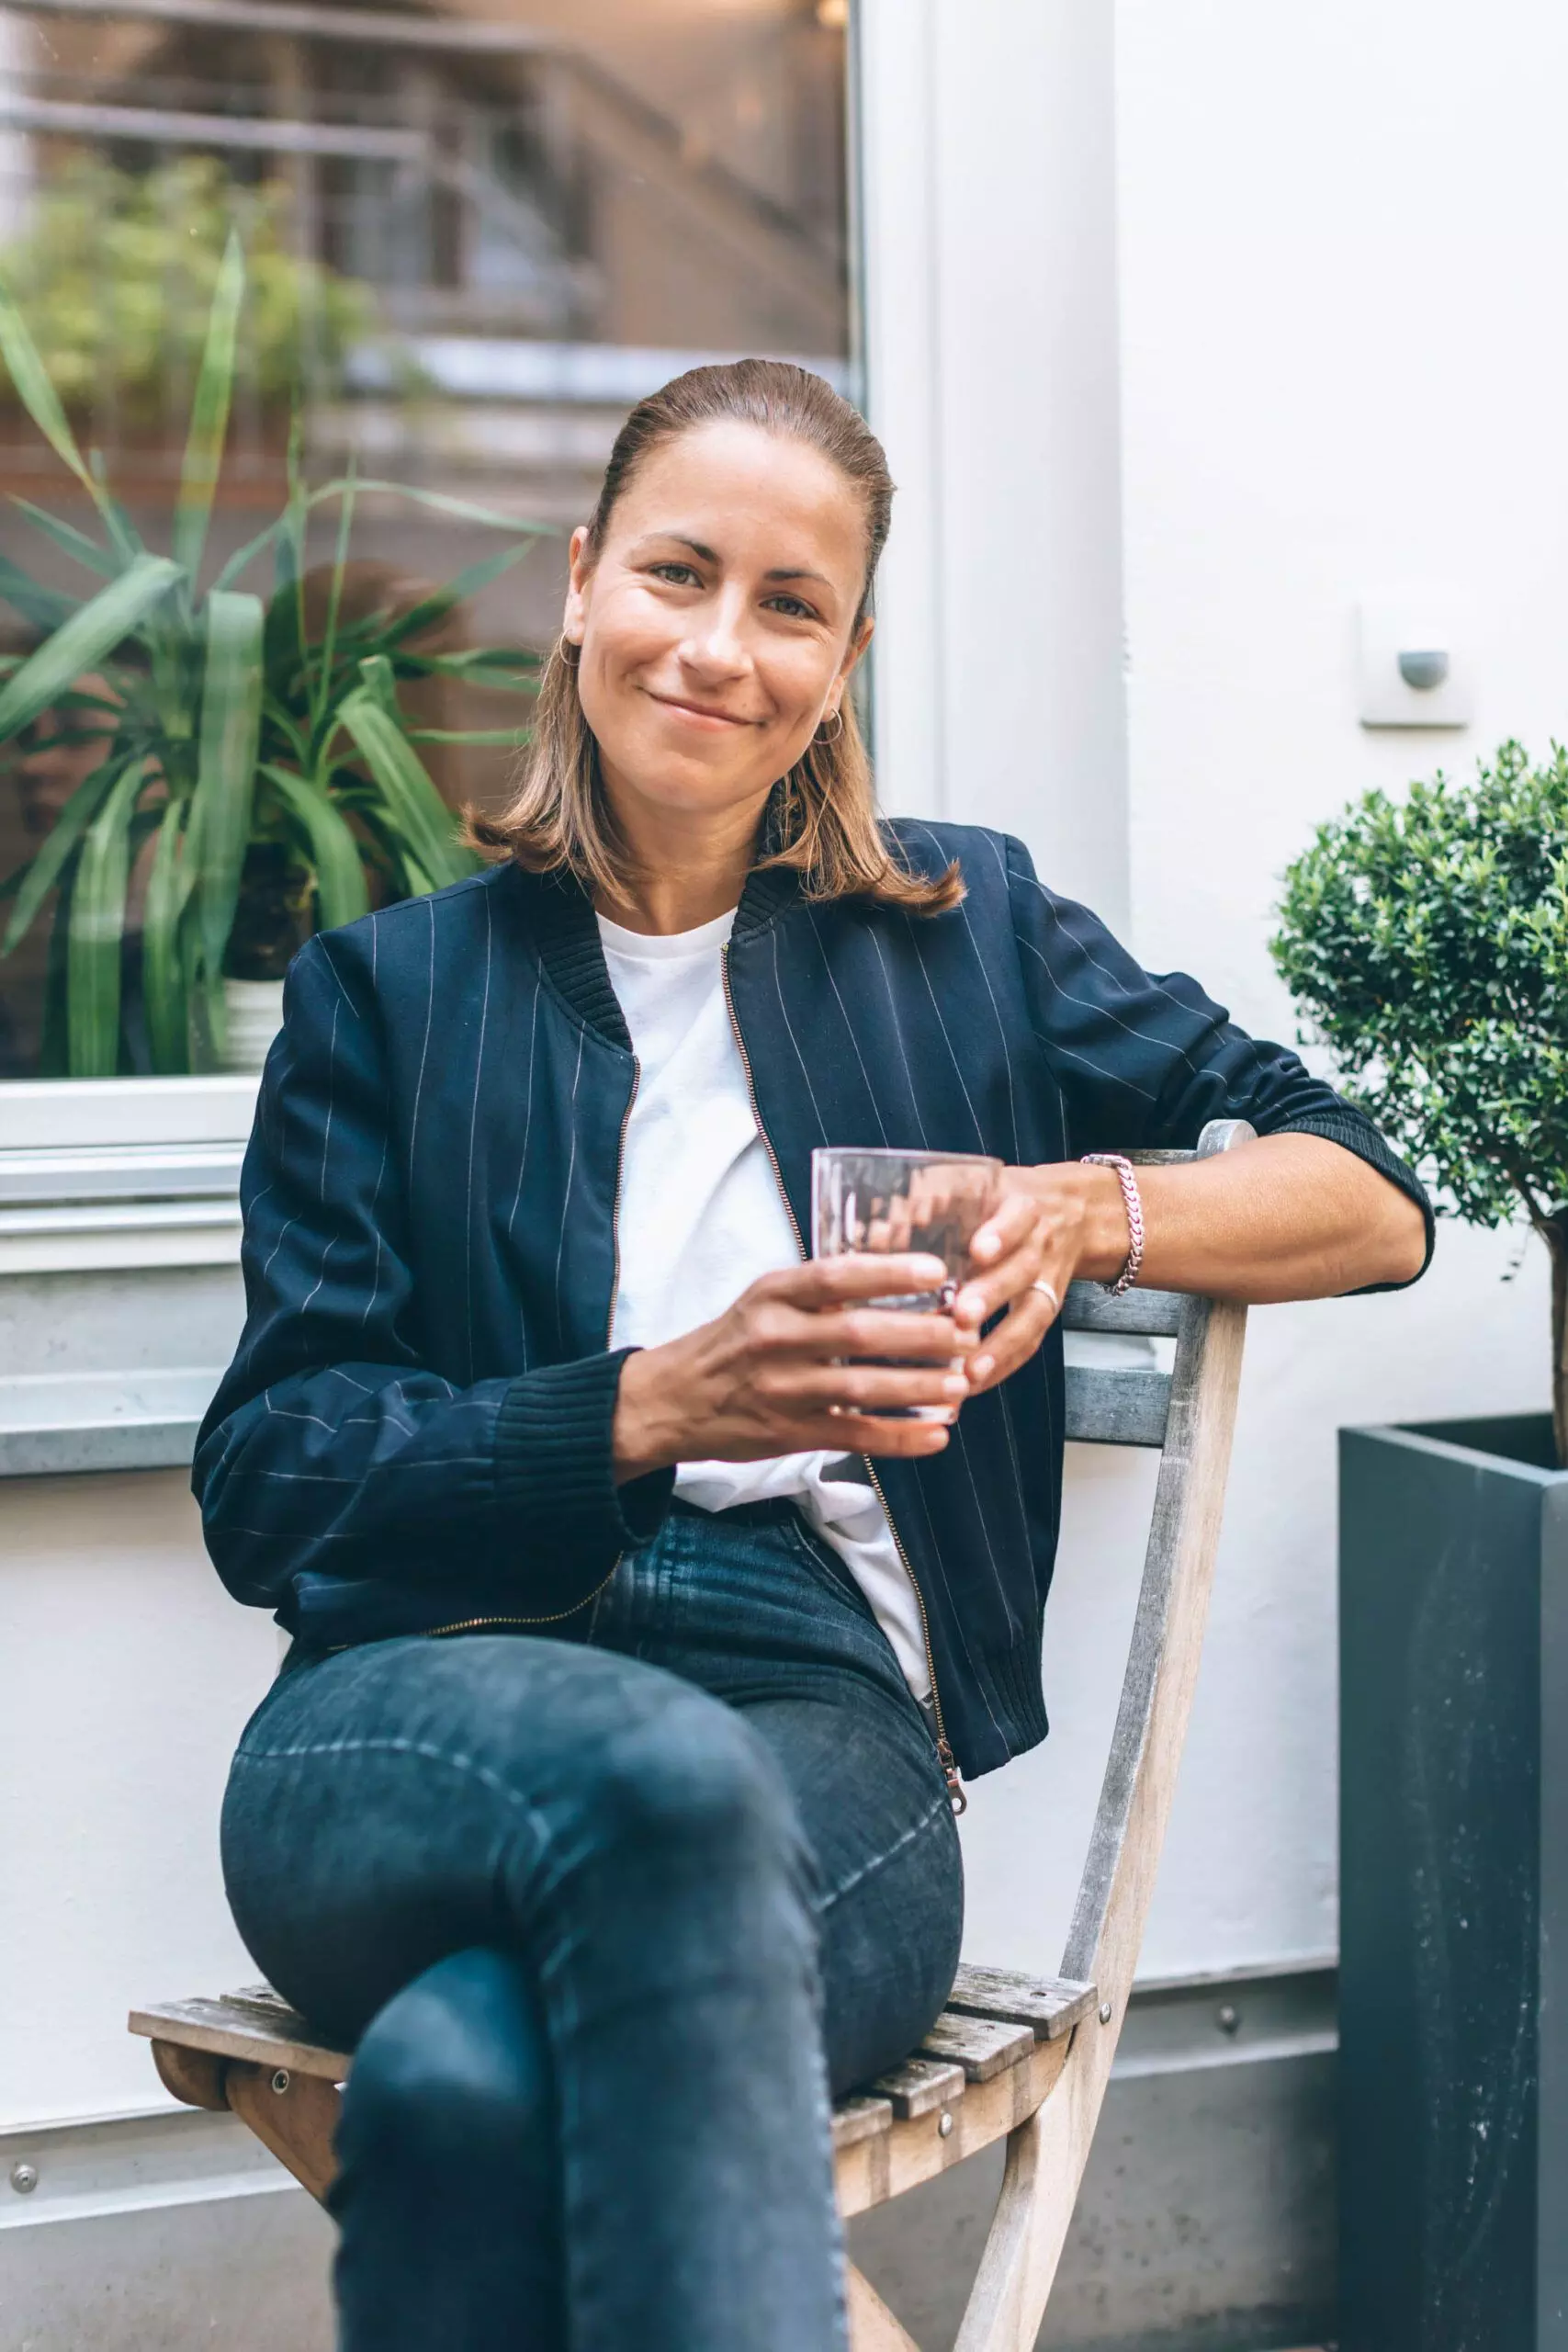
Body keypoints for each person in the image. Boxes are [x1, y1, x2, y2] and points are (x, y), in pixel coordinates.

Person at [197, 359, 1431, 2352]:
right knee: (656, 1789)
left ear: (843, 663)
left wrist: (1081, 1208)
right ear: (583, 583)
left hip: (820, 1699)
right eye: (676, 573)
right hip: (421, 1694)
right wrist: (650, 1402)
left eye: (790, 604)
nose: (718, 646)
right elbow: (272, 1482)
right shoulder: (388, 994)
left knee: (462, 2085)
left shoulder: (971, 928)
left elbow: (1366, 1194)